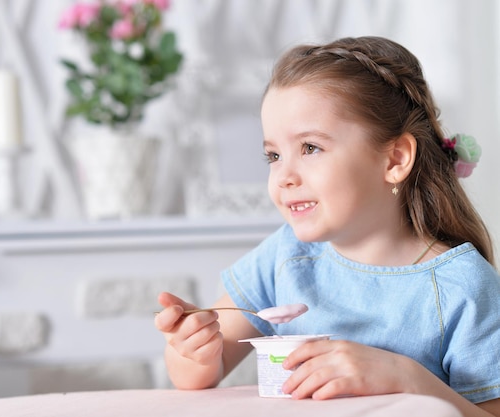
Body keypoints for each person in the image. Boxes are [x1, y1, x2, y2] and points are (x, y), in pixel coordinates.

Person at [154, 36, 500, 417]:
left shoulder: (461, 287)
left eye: (310, 148)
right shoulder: (284, 258)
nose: (283, 176)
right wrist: (193, 351)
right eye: (273, 155)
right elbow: (201, 375)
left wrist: (407, 377)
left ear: (395, 159)